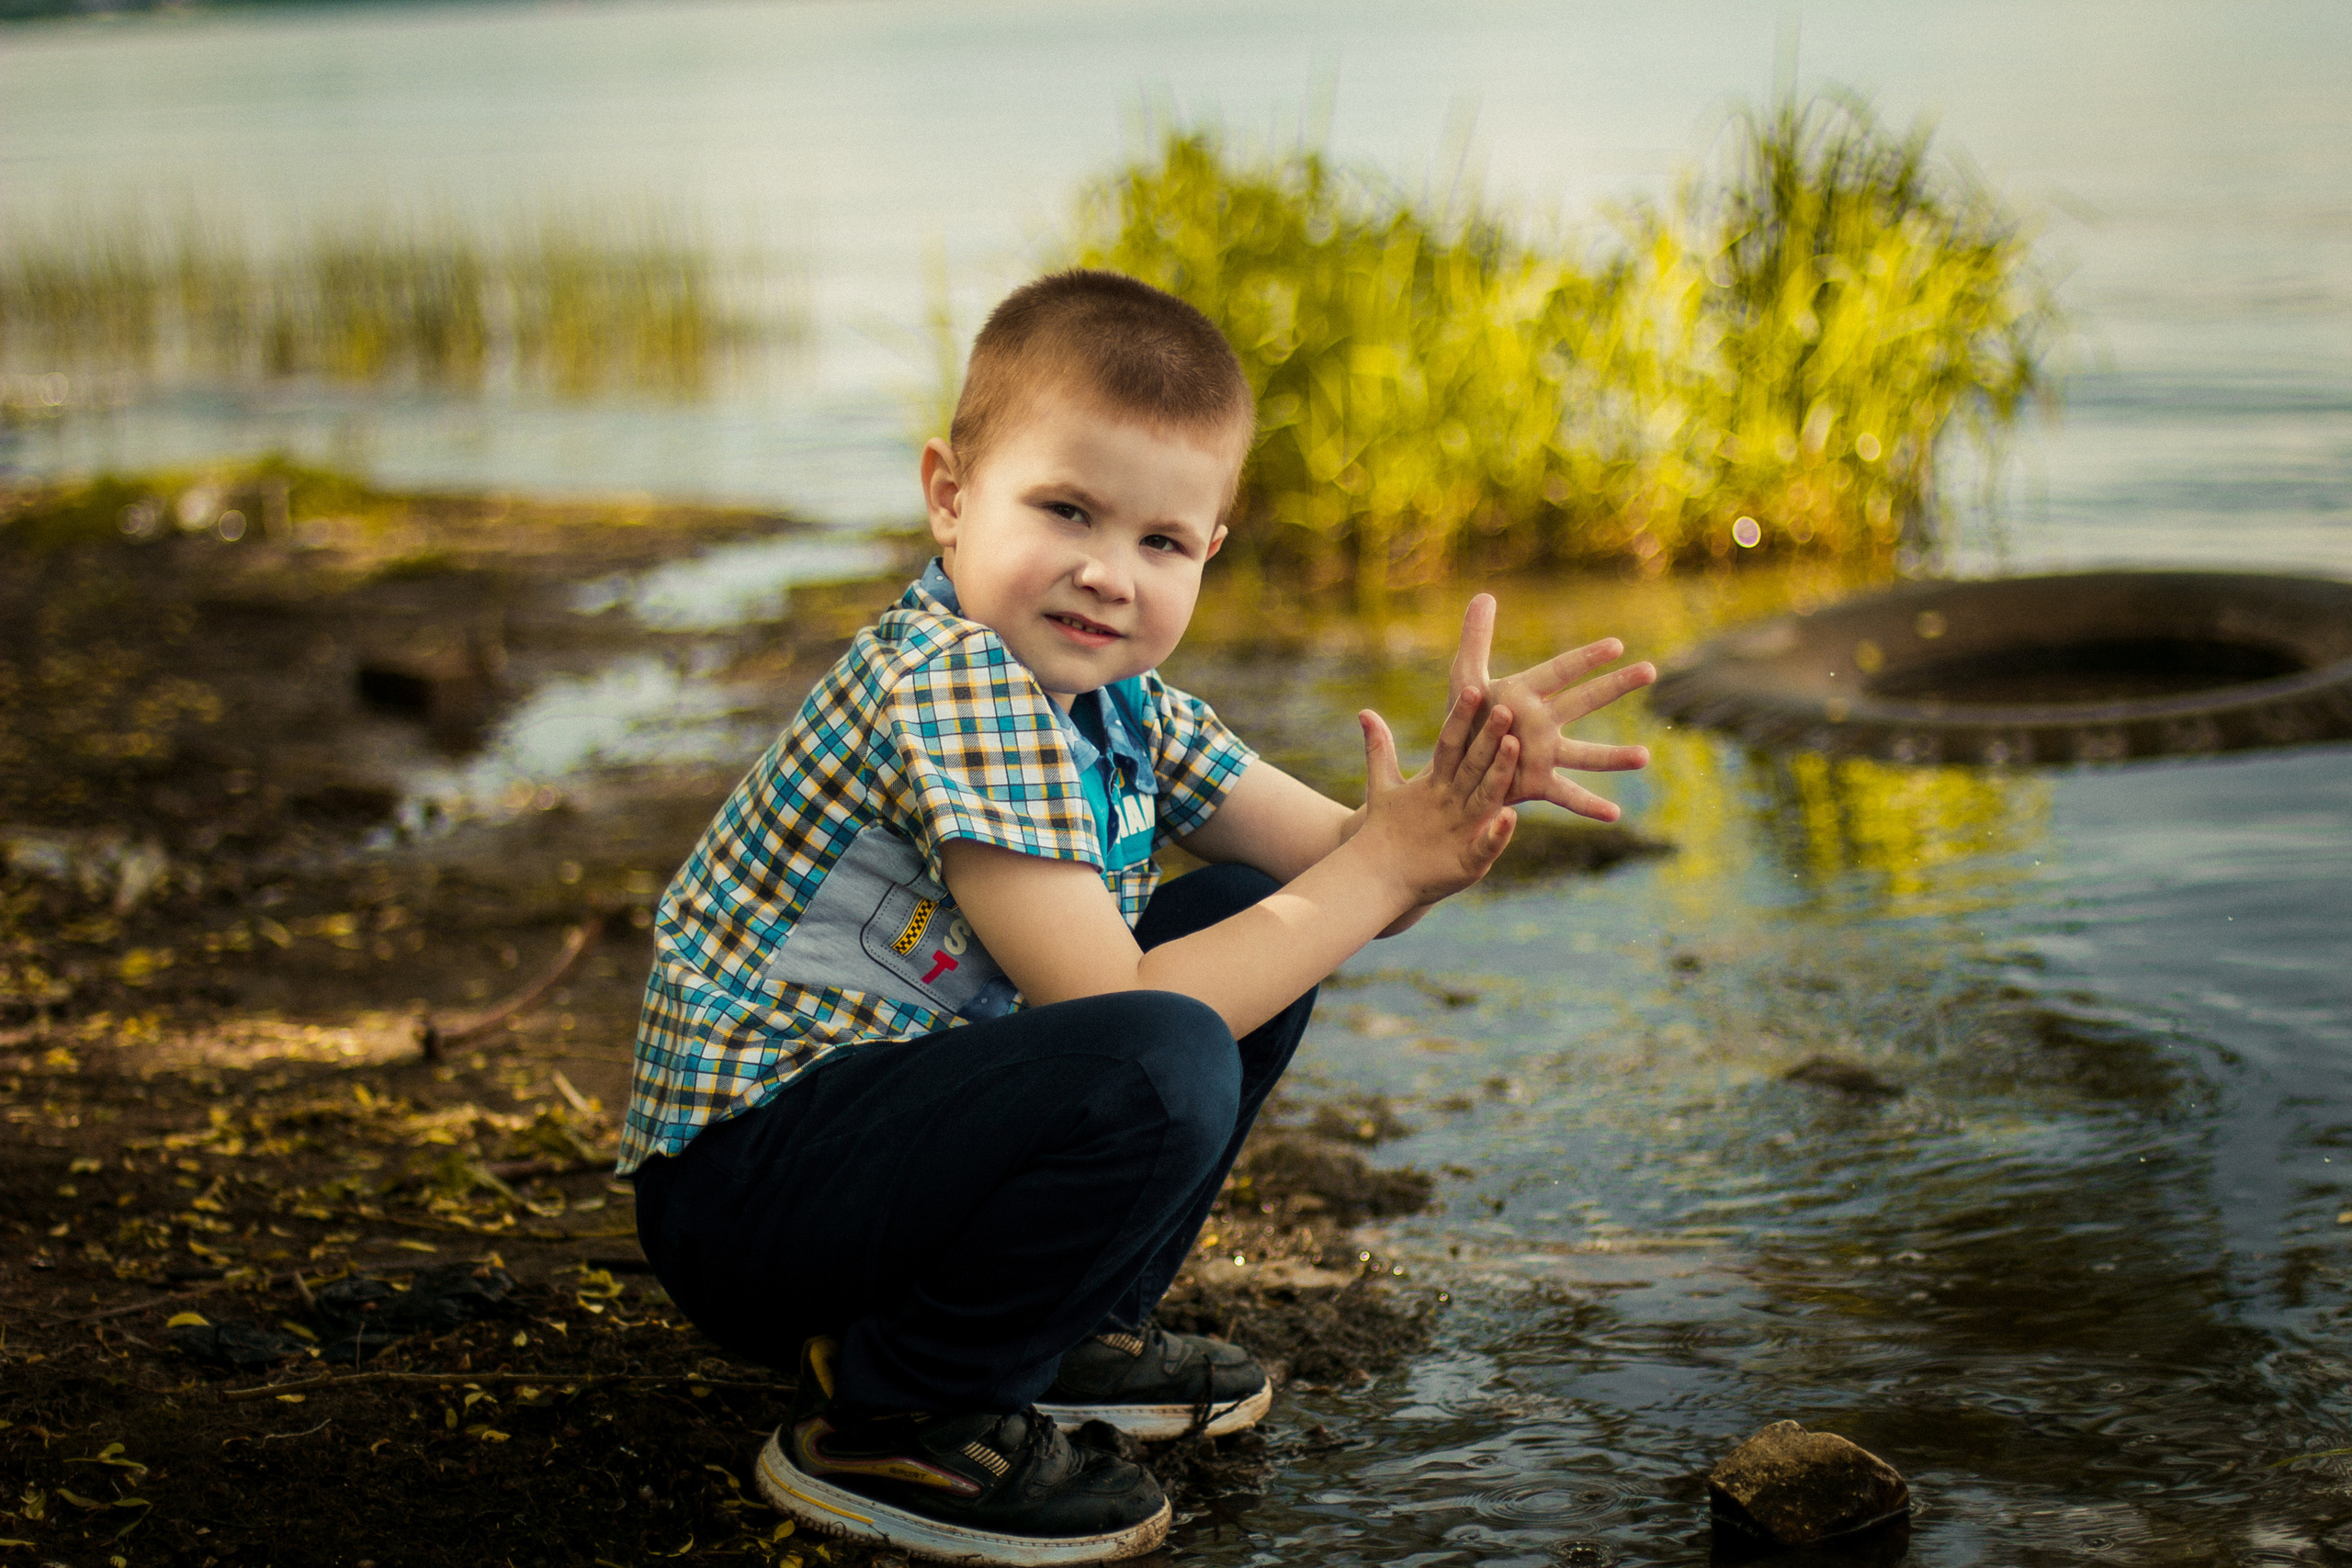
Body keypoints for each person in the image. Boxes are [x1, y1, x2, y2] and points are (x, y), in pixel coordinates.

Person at [620, 269, 1656, 1565]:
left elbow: (1342, 870)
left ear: (1209, 550)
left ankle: (1058, 1329)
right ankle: (902, 1410)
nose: (1111, 576)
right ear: (950, 495)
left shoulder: (1125, 702)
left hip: (876, 1159)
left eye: (1162, 543)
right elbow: (1114, 1005)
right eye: (1066, 511)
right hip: (752, 1196)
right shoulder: (955, 684)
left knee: (1246, 917)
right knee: (1155, 1052)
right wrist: (1379, 872)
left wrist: (1459, 795)